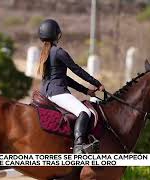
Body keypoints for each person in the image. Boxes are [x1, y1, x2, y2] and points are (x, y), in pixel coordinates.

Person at [37, 19, 104, 154]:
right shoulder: (59, 52)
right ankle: (79, 146)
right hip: (57, 93)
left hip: (47, 92)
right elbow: (77, 70)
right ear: (57, 34)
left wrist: (86, 90)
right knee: (85, 112)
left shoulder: (45, 53)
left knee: (85, 112)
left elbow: (65, 78)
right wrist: (97, 83)